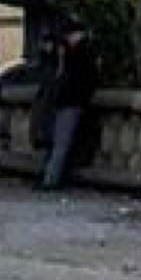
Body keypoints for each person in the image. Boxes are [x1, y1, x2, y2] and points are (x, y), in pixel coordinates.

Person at [39, 28, 98, 191]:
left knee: (58, 143)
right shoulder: (79, 53)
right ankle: (50, 179)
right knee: (61, 144)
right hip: (71, 102)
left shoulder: (71, 54)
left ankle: (49, 178)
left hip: (65, 102)